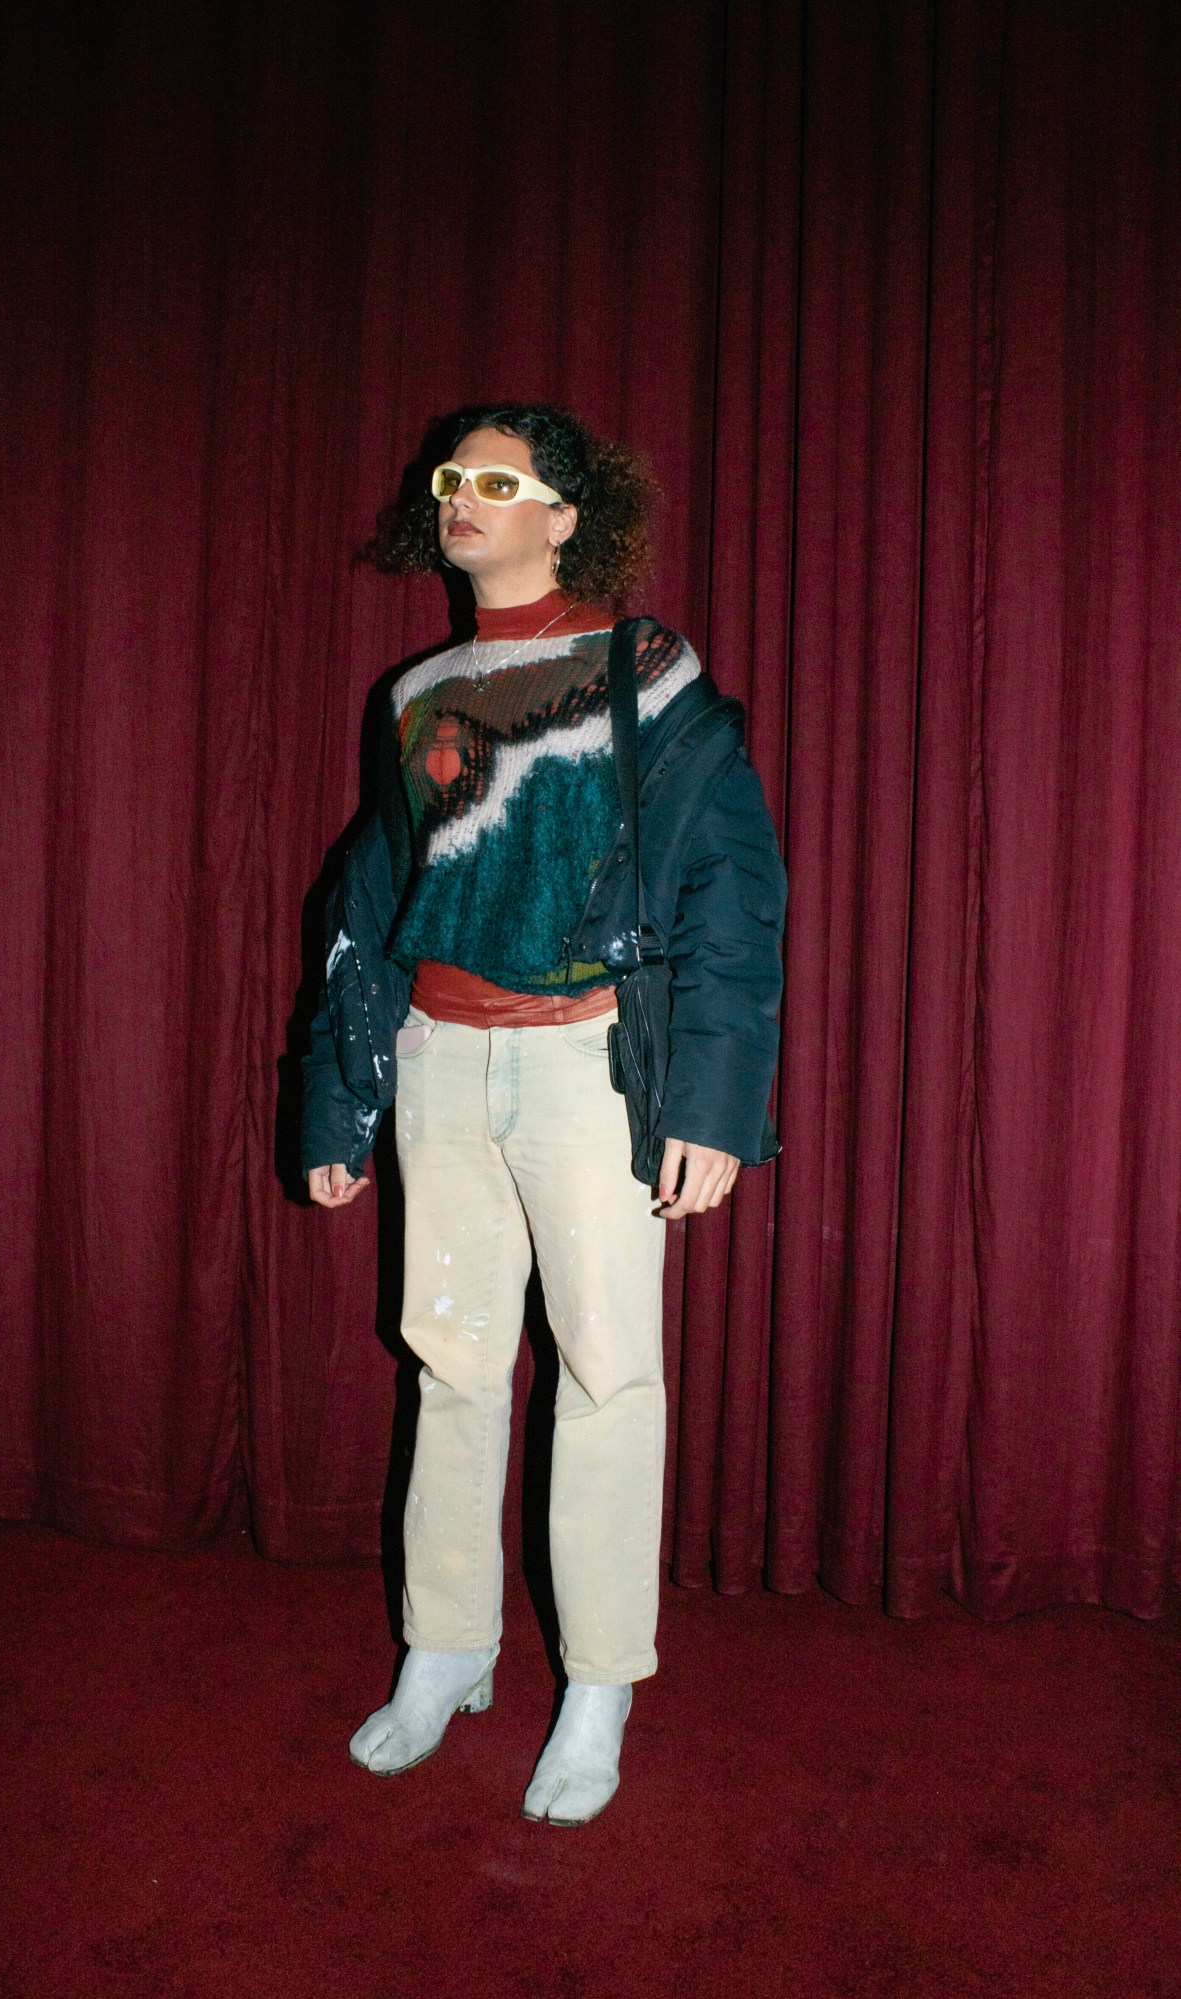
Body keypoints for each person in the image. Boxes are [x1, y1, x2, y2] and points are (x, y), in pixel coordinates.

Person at [302, 403, 786, 1825]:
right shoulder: (418, 689)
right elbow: (371, 908)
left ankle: (597, 1681)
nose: (462, 500)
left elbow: (730, 891)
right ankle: (447, 1647)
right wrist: (339, 1096)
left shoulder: (646, 670)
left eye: (497, 481)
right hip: (441, 1065)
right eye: (452, 479)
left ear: (567, 513)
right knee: (447, 1368)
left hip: (587, 1072)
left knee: (607, 1377)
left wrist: (712, 1098)